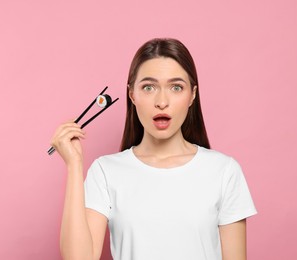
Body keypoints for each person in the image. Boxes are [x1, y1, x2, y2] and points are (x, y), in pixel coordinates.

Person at [51, 38, 257, 260]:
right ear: (132, 95)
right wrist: (74, 165)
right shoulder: (105, 171)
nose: (161, 101)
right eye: (148, 87)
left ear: (192, 95)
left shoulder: (224, 170)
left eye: (176, 87)